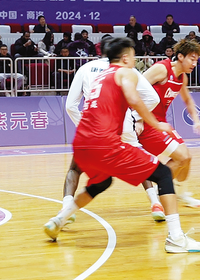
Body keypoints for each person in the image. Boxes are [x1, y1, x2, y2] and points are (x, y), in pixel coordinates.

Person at [44, 38, 200, 253]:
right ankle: (176, 239)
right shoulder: (126, 72)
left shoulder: (100, 76)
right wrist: (155, 123)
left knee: (101, 182)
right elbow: (136, 98)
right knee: (163, 175)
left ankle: (58, 220)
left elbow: (73, 105)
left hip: (82, 142)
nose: (135, 61)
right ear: (124, 57)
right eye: (133, 56)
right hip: (106, 143)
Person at [63, 36, 165, 222]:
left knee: (75, 169)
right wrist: (136, 117)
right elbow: (153, 98)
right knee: (142, 161)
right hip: (123, 124)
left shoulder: (86, 68)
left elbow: (70, 106)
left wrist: (84, 125)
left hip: (93, 128)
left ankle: (66, 208)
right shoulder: (126, 69)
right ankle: (155, 203)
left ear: (100, 49)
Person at [139, 40, 200, 207]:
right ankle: (160, 192)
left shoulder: (182, 78)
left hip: (161, 123)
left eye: (196, 60)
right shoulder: (161, 69)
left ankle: (180, 193)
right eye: (192, 59)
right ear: (180, 57)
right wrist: (138, 119)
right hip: (147, 123)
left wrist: (197, 121)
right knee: (181, 157)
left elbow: (188, 100)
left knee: (187, 158)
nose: (194, 63)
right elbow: (135, 88)